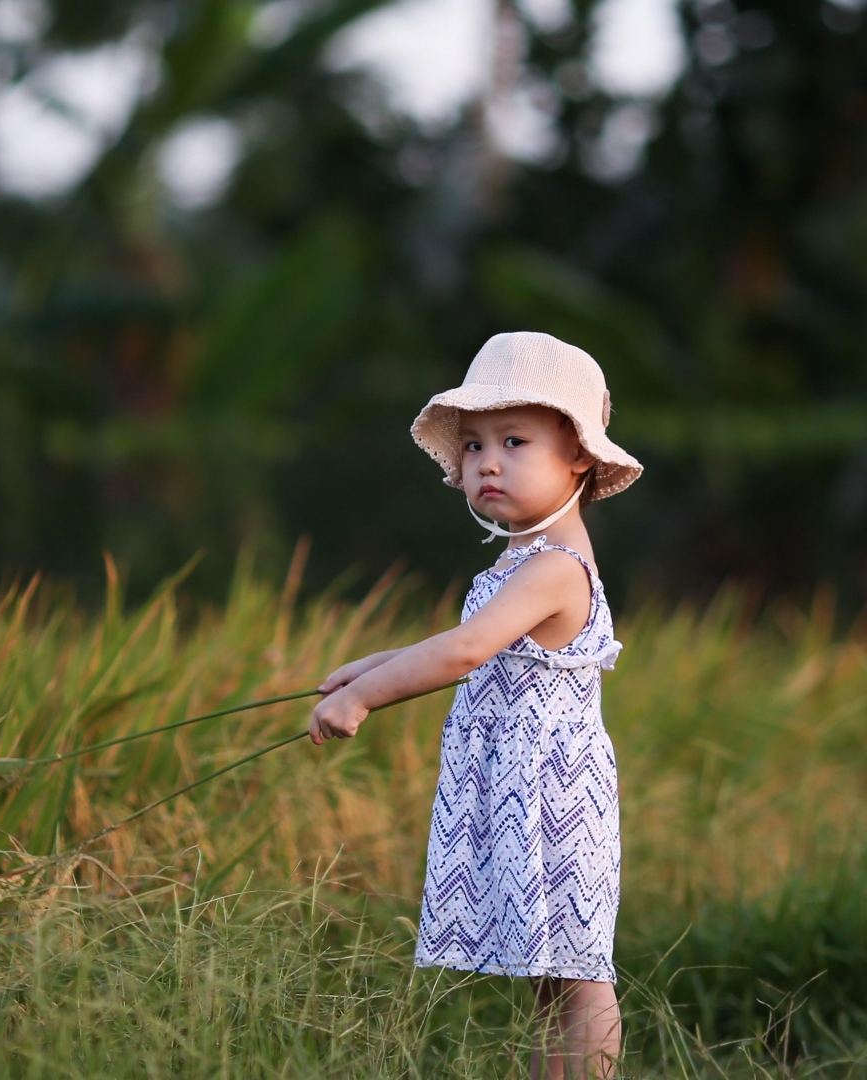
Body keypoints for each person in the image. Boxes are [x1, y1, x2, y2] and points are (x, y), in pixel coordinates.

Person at [307, 332, 641, 1079]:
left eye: (515, 441)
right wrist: (375, 665)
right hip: (523, 789)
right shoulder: (521, 558)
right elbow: (473, 642)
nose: (487, 462)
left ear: (578, 457)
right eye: (475, 445)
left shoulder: (555, 567)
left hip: (555, 798)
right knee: (552, 976)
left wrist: (365, 698)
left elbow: (466, 652)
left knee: (578, 975)